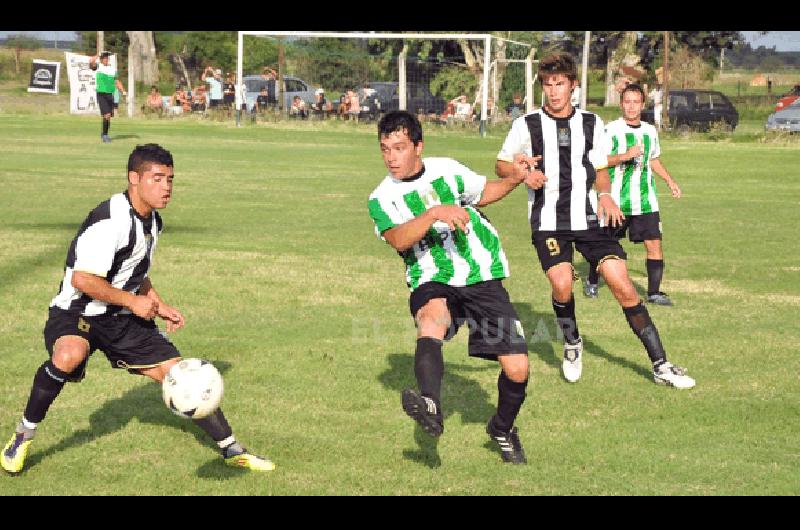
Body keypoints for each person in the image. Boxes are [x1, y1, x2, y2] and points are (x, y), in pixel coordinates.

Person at [0, 144, 275, 475]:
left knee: (182, 376)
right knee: (68, 356)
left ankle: (232, 450)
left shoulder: (152, 221)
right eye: (157, 179)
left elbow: (133, 270)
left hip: (120, 318)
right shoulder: (110, 221)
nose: (166, 188)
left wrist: (158, 303)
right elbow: (83, 279)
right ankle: (22, 436)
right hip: (78, 312)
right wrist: (133, 301)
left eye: (170, 180)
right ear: (134, 179)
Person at [494, 52, 695, 389]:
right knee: (561, 283)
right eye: (547, 84)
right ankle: (572, 342)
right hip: (548, 221)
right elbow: (501, 165)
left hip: (588, 220)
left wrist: (604, 194)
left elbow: (600, 169)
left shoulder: (591, 123)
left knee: (621, 282)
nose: (553, 91)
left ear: (573, 86)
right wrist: (520, 172)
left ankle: (661, 364)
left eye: (560, 84)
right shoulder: (526, 124)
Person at [368, 111, 533, 464]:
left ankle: (502, 428)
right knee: (431, 320)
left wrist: (516, 179)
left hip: (480, 275)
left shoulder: (448, 169)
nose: (391, 157)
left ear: (418, 146)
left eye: (398, 148)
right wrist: (433, 214)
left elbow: (483, 193)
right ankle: (430, 403)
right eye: (385, 149)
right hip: (432, 276)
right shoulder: (381, 198)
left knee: (517, 369)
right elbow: (398, 239)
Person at [583, 83, 681, 306]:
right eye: (627, 102)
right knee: (604, 244)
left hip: (645, 201)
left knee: (654, 244)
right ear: (621, 104)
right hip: (616, 200)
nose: (631, 107)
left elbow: (653, 159)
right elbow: (599, 161)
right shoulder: (611, 130)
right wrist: (625, 155)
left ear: (642, 104)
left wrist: (670, 181)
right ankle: (591, 281)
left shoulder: (649, 131)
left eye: (636, 102)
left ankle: (654, 293)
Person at [89, 51, 126, 143]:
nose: (106, 60)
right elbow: (91, 61)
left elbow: (117, 81)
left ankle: (104, 133)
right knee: (107, 115)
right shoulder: (98, 67)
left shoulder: (112, 70)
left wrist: (123, 90)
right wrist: (98, 54)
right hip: (101, 94)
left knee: (108, 116)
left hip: (110, 94)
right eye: (105, 58)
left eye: (107, 58)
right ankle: (105, 135)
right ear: (101, 59)